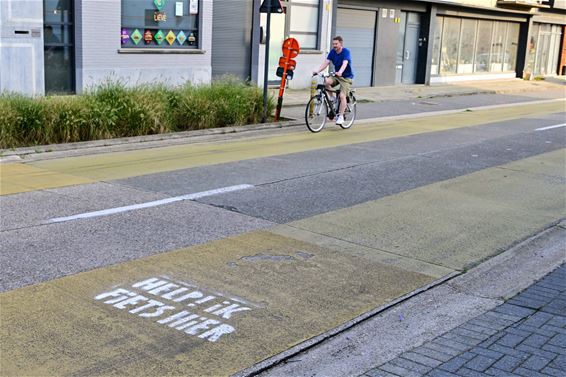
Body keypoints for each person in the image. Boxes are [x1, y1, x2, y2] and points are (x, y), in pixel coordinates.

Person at [313, 36, 354, 126]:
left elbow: (345, 63)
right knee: (326, 82)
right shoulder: (332, 52)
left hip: (346, 78)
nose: (334, 45)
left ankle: (341, 116)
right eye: (333, 44)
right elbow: (326, 62)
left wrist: (340, 72)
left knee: (342, 96)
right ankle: (332, 98)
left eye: (336, 44)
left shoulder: (345, 52)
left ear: (341, 44)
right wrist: (318, 71)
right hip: (336, 76)